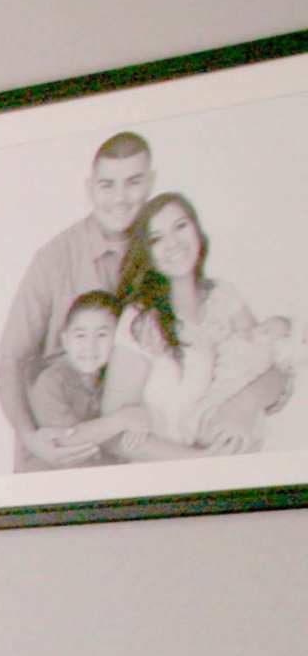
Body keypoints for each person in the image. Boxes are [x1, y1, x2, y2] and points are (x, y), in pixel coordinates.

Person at [0, 131, 157, 470]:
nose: (120, 198)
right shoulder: (54, 259)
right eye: (107, 185)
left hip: (136, 453)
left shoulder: (163, 253)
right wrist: (29, 438)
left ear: (151, 183)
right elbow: (11, 361)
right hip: (59, 454)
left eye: (133, 182)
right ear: (89, 188)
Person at [103, 192, 302, 460]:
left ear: (197, 230)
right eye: (156, 238)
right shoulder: (140, 320)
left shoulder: (224, 295)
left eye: (180, 226)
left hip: (244, 461)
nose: (172, 243)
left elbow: (276, 369)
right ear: (147, 254)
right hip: (172, 480)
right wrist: (201, 462)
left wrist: (241, 407)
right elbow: (111, 435)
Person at [25, 292, 134, 460]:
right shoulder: (50, 383)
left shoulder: (114, 378)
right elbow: (68, 440)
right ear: (65, 340)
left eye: (102, 335)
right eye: (80, 335)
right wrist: (123, 420)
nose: (90, 345)